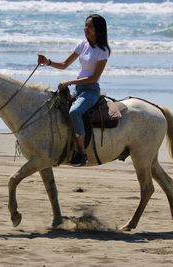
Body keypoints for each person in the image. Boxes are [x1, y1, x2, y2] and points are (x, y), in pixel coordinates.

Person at [38, 14, 111, 167]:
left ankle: (82, 154)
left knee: (75, 112)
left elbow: (93, 78)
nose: (86, 29)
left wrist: (69, 82)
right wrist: (48, 62)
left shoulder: (103, 51)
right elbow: (64, 64)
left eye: (90, 26)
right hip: (78, 89)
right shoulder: (82, 45)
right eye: (86, 25)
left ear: (98, 29)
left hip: (91, 90)